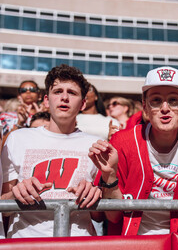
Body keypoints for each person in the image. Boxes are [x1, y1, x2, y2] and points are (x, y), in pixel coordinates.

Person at [89, 66, 178, 235]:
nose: (165, 108)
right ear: (145, 107)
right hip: (134, 243)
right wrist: (109, 176)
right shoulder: (123, 141)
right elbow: (113, 216)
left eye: (173, 100)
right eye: (156, 100)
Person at [1, 64, 102, 238]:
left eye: (72, 93)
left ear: (83, 103)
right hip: (25, 243)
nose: (64, 98)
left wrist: (97, 195)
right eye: (58, 92)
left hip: (78, 243)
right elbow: (3, 209)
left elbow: (100, 217)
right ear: (46, 101)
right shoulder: (17, 139)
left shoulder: (95, 145)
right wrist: (16, 193)